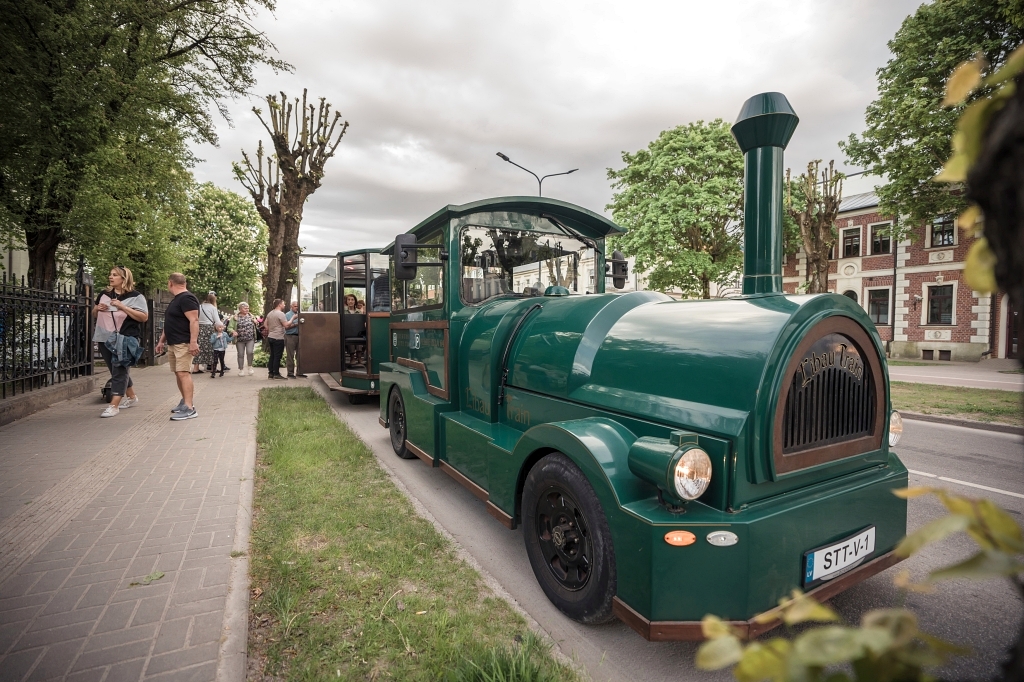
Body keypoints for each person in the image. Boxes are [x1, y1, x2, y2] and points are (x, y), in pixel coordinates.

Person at [93, 266, 149, 418]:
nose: (110, 277)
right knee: (116, 370)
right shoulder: (104, 294)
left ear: (124, 279)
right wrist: (98, 308)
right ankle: (132, 398)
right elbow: (93, 313)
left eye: (115, 275)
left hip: (124, 337)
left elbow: (144, 317)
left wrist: (123, 307)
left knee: (120, 369)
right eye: (110, 274)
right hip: (104, 337)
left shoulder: (136, 297)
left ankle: (114, 405)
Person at [156, 273, 200, 420]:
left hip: (183, 342)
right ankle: (184, 401)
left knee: (183, 373)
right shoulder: (176, 300)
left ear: (170, 283)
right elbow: (169, 323)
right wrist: (162, 341)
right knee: (178, 372)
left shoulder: (187, 298)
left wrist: (193, 342)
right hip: (173, 342)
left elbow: (194, 320)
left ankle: (189, 408)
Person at [229, 302, 257, 376]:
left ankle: (250, 367)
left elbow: (256, 324)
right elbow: (229, 327)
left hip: (250, 338)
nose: (247, 309)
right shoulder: (235, 318)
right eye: (245, 308)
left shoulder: (251, 316)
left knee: (250, 352)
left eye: (248, 308)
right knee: (240, 354)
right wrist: (233, 331)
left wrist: (255, 322)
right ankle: (241, 370)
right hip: (239, 340)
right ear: (240, 309)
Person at [194, 292, 220, 374]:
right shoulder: (213, 308)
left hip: (199, 328)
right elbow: (217, 321)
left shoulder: (199, 306)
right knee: (211, 348)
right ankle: (213, 368)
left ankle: (196, 368)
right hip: (209, 329)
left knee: (198, 347)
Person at [265, 298, 288, 379]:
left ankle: (270, 373)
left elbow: (265, 325)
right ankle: (276, 373)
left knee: (272, 355)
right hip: (278, 337)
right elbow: (286, 325)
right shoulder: (281, 314)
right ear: (279, 305)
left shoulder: (270, 313)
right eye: (283, 304)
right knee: (277, 356)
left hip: (271, 336)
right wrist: (293, 319)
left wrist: (271, 329)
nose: (284, 305)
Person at [284, 301, 304, 378]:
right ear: (291, 306)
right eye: (295, 306)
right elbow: (286, 327)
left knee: (300, 355)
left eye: (298, 306)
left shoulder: (301, 314)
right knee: (290, 355)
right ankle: (290, 372)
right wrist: (296, 324)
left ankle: (300, 372)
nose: (297, 308)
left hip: (300, 336)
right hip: (290, 336)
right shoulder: (287, 315)